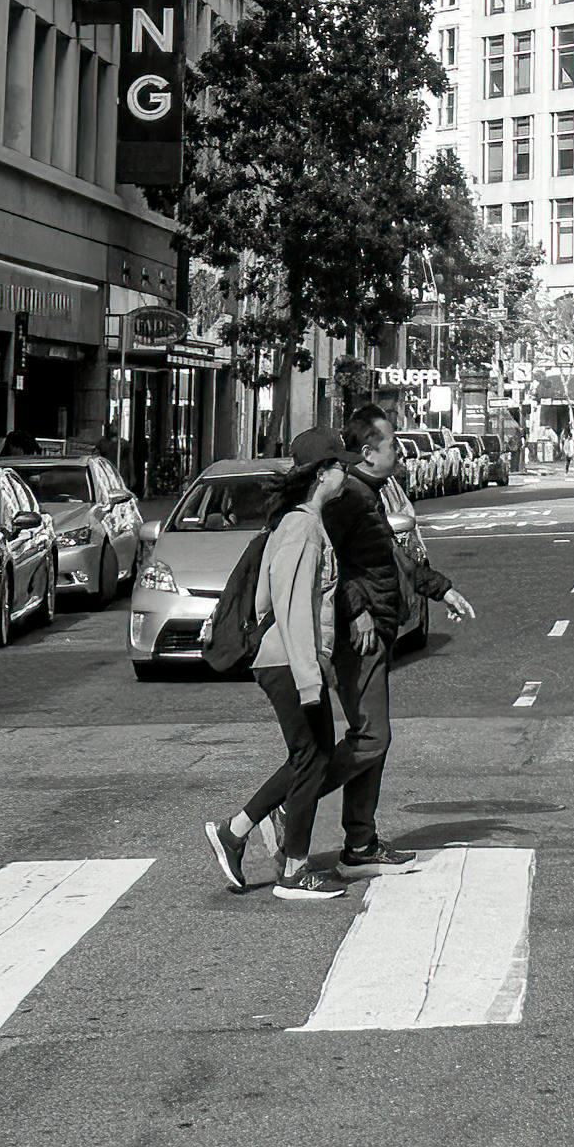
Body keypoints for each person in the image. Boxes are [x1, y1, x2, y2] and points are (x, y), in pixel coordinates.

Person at [322, 376, 475, 878]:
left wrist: (441, 589)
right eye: (393, 445)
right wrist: (359, 610)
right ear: (369, 451)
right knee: (372, 738)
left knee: (373, 738)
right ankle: (285, 803)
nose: (401, 454)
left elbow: (396, 560)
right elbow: (332, 567)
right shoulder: (347, 498)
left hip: (380, 630)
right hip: (358, 635)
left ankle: (360, 843)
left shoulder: (371, 493)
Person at [207, 431, 354, 896]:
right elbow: (290, 606)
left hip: (292, 660)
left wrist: (319, 661)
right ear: (322, 474)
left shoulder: (306, 523)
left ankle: (236, 831)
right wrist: (311, 676)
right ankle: (292, 869)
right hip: (287, 662)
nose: (346, 472)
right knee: (313, 758)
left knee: (311, 756)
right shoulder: (302, 529)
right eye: (341, 466)